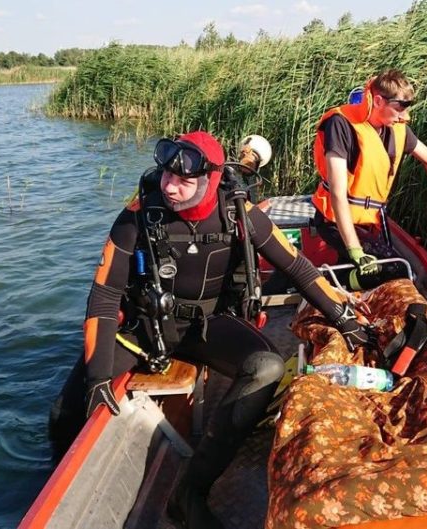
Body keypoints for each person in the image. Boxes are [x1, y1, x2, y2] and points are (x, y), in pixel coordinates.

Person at [82, 131, 374, 529]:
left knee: (268, 367)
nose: (170, 187)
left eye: (183, 180)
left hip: (207, 325)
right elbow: (104, 294)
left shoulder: (239, 213)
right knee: (68, 406)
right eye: (166, 176)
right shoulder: (138, 214)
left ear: (212, 178)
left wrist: (345, 319)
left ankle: (190, 493)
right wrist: (98, 375)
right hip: (145, 326)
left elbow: (298, 268)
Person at [311, 69, 427, 290]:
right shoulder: (341, 125)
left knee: (379, 267)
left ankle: (346, 279)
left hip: (369, 222)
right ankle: (324, 284)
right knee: (396, 270)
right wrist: (356, 250)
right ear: (378, 101)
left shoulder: (397, 129)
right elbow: (338, 194)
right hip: (334, 220)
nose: (405, 116)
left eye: (407, 108)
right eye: (399, 108)